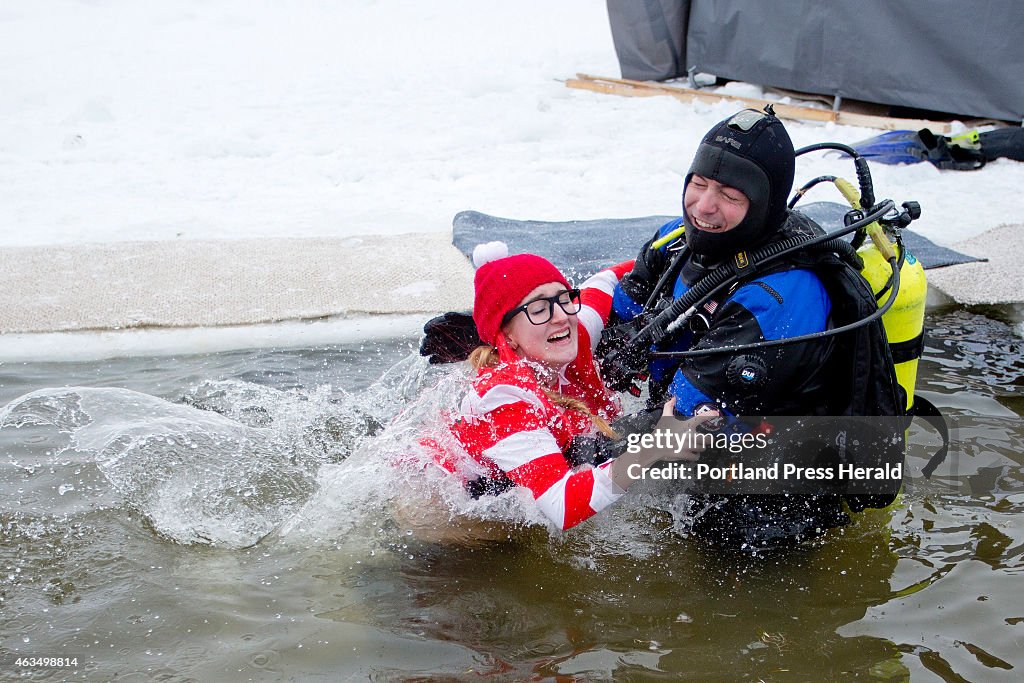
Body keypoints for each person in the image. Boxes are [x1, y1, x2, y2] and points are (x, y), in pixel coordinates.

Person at [607, 106, 902, 548]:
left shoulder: (781, 297)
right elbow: (618, 316)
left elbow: (687, 419)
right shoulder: (677, 240)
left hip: (768, 489)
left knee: (732, 592)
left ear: (763, 203)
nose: (704, 207)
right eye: (699, 184)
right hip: (702, 444)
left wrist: (559, 455)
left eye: (728, 194)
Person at [412, 243, 709, 535]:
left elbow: (610, 279)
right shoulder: (502, 395)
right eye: (538, 308)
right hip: (441, 508)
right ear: (507, 335)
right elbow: (563, 507)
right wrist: (654, 449)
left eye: (563, 298)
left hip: (519, 469)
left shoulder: (575, 331)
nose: (560, 316)